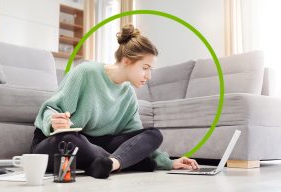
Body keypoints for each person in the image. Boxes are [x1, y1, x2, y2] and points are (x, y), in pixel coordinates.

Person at [31, 24, 199, 179]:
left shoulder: (128, 94)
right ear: (126, 61)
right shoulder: (86, 72)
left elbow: (135, 139)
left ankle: (111, 164)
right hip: (61, 143)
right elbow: (51, 109)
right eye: (145, 68)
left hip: (95, 147)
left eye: (150, 70)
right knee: (71, 141)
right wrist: (53, 122)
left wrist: (169, 162)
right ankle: (120, 161)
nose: (149, 76)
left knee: (154, 134)